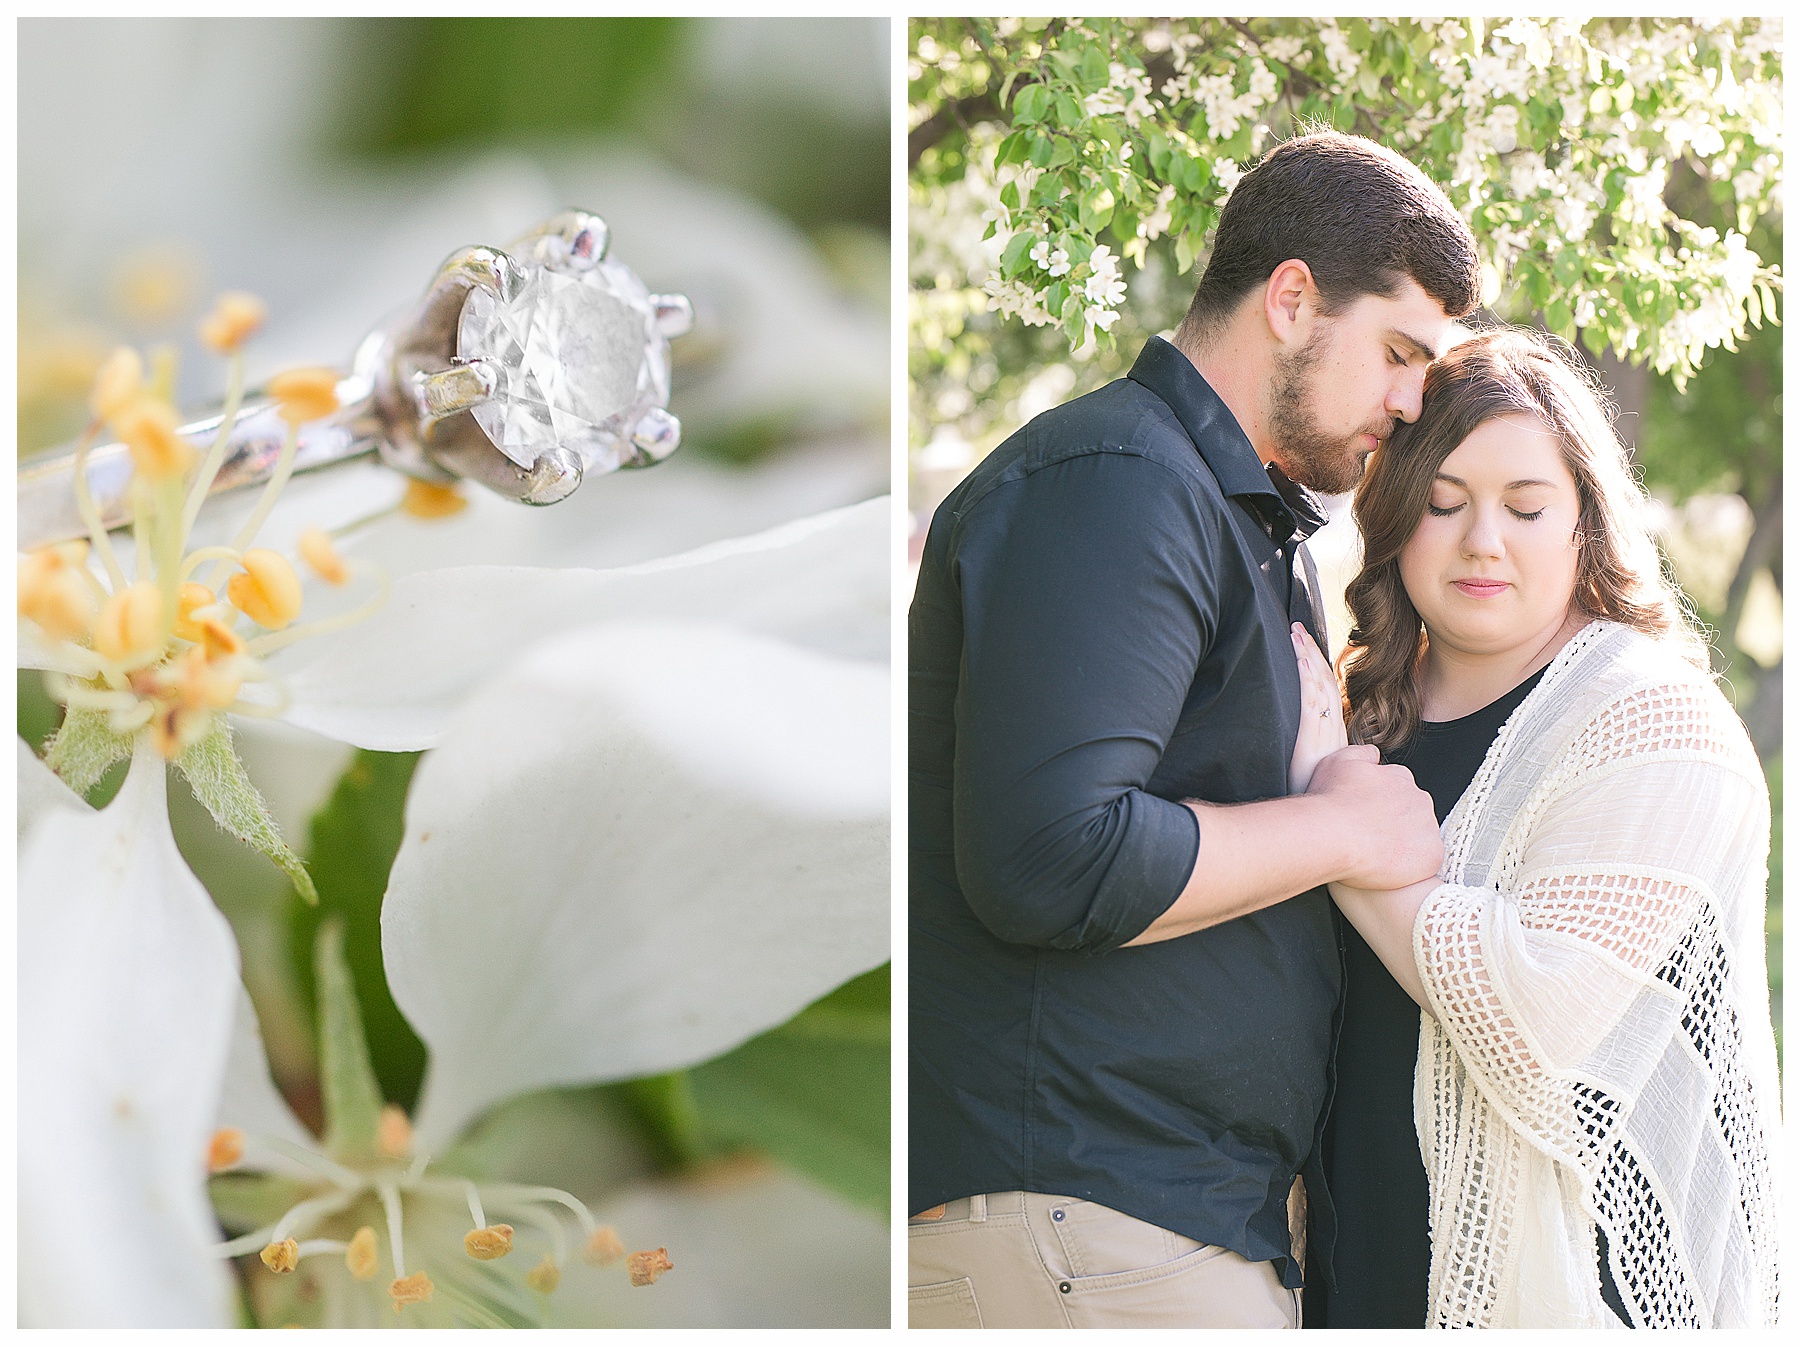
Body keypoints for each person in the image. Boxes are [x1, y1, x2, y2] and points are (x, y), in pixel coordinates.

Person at [908, 130, 1481, 1329]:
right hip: (1090, 1224)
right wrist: (1334, 826)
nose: (1412, 398)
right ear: (1290, 299)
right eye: (1398, 350)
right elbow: (1046, 856)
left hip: (1156, 1230)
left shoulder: (1239, 526)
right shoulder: (1119, 478)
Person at [1290, 327, 1781, 1328]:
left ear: (1584, 525)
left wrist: (1330, 817)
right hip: (1351, 1276)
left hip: (1561, 1297)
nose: (1483, 540)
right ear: (1394, 517)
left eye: (1525, 506)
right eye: (1443, 502)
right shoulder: (1353, 713)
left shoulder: (1653, 722)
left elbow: (1539, 1024)